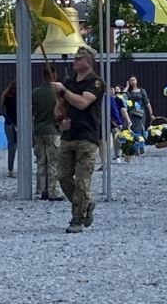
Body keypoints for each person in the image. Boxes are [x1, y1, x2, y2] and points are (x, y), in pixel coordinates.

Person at [54, 46, 105, 234]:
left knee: (83, 181)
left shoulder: (96, 83)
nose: (74, 61)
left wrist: (64, 91)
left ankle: (77, 219)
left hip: (86, 137)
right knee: (63, 177)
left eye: (79, 58)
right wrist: (61, 120)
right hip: (68, 136)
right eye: (74, 58)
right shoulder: (69, 82)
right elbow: (59, 107)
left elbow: (83, 103)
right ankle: (86, 203)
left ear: (89, 62)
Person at [31, 66, 63, 201]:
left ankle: (41, 189)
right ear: (54, 75)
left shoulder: (35, 92)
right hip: (52, 130)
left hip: (38, 130)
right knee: (53, 163)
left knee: (41, 162)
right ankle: (52, 191)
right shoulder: (57, 93)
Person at [1, 80, 17, 178]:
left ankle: (10, 169)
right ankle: (12, 170)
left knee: (11, 147)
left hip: (7, 123)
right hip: (15, 124)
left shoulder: (6, 97)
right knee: (15, 146)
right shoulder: (16, 99)